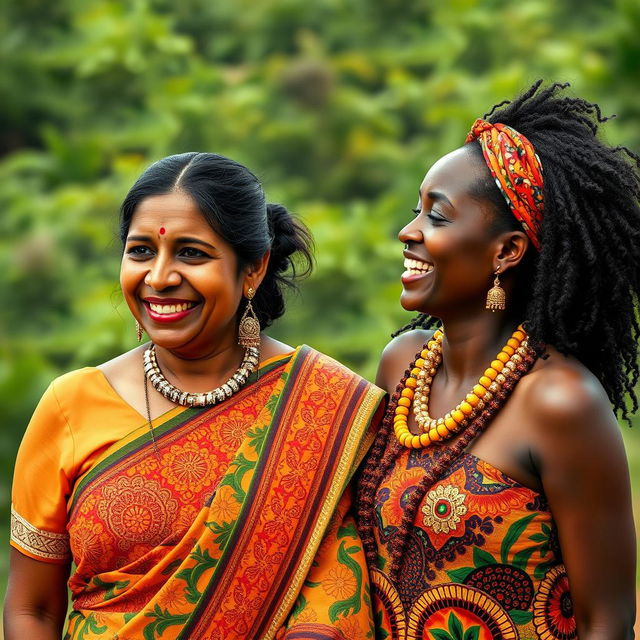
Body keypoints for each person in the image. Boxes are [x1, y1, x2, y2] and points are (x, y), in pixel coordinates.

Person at [4, 152, 385, 639]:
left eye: (191, 253)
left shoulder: (322, 407)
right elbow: (31, 609)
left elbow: (335, 592)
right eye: (141, 251)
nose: (159, 277)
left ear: (253, 269)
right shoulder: (70, 405)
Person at [356, 81, 638, 639]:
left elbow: (608, 622)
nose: (408, 232)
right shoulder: (402, 366)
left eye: (437, 216)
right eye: (418, 211)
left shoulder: (559, 402)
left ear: (506, 251)